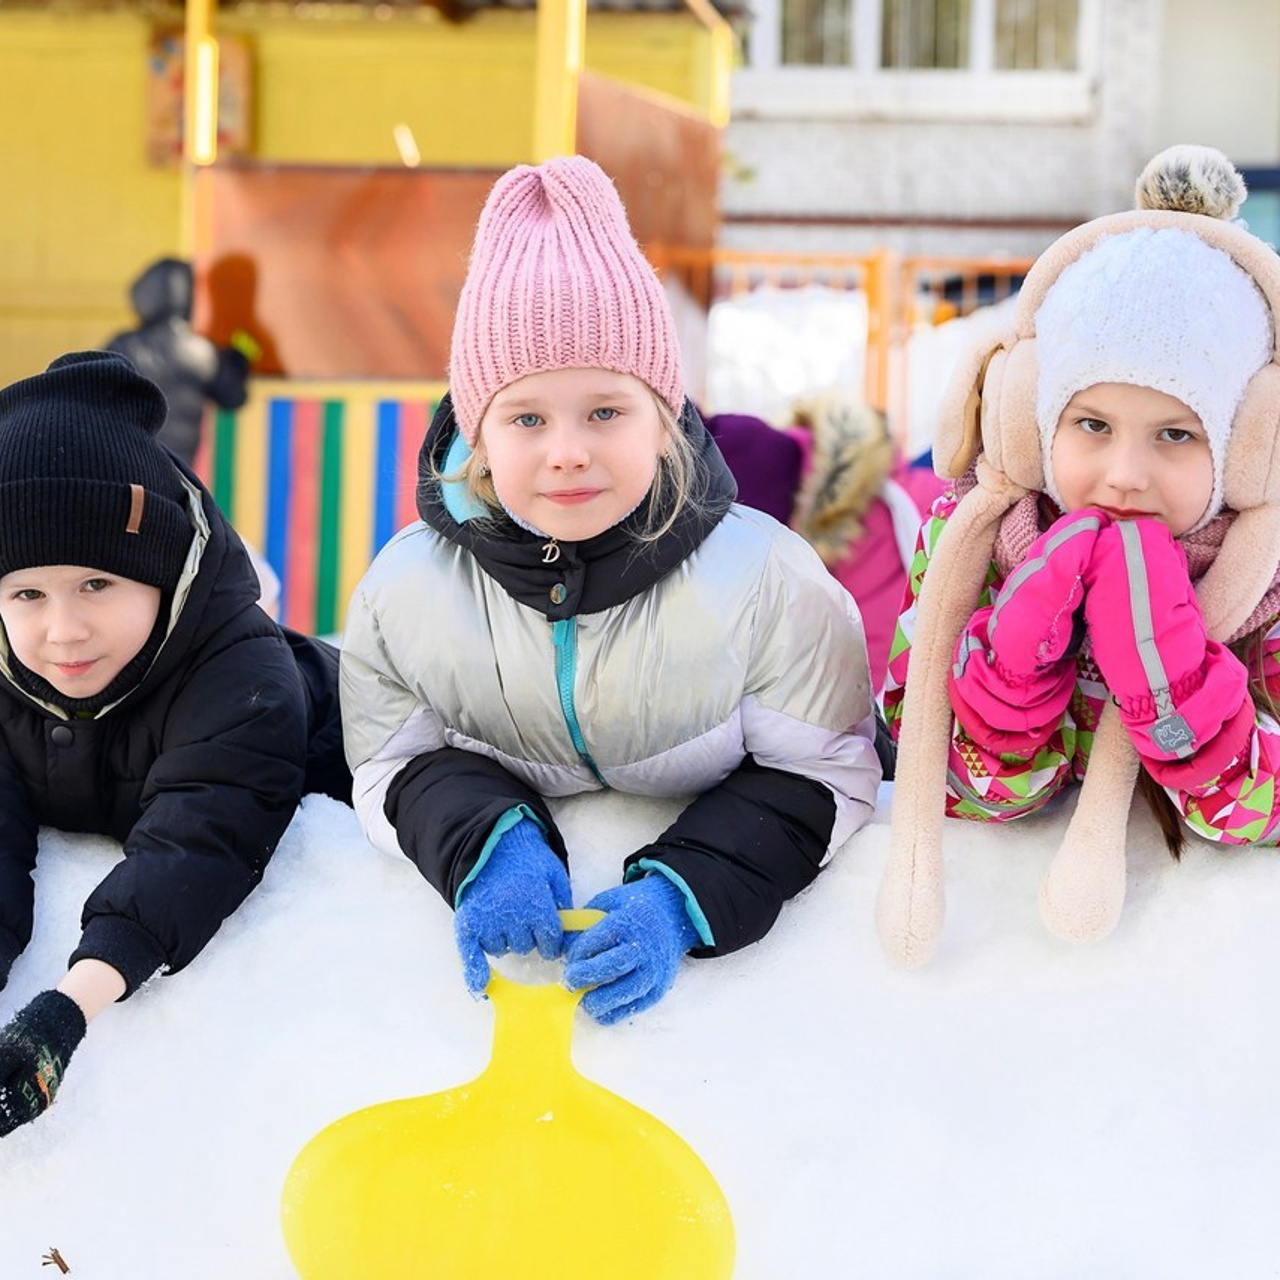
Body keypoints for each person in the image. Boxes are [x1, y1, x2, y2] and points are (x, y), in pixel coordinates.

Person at [341, 156, 881, 1024]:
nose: (567, 451)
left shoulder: (768, 584)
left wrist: (684, 894)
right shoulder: (405, 595)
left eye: (605, 411)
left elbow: (828, 771)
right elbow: (389, 762)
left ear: (664, 420)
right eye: (527, 418)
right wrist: (486, 840)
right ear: (477, 435)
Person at [877, 145, 1280, 967]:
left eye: (1176, 435)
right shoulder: (975, 541)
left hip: (1187, 973)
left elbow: (1263, 813)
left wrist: (1184, 697)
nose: (1124, 477)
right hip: (1011, 965)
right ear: (1031, 415)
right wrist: (1009, 689)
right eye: (1091, 425)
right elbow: (951, 781)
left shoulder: (1266, 570)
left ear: (1251, 446)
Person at [0, 351, 350, 1136]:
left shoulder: (241, 672)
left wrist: (66, 1011)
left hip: (326, 767)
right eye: (27, 593)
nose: (63, 630)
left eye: (98, 584)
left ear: (161, 573)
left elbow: (202, 836)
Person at [106, 257, 251, 465]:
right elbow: (234, 396)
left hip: (127, 465)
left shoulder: (123, 347)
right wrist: (239, 358)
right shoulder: (201, 352)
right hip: (178, 471)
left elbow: (90, 390)